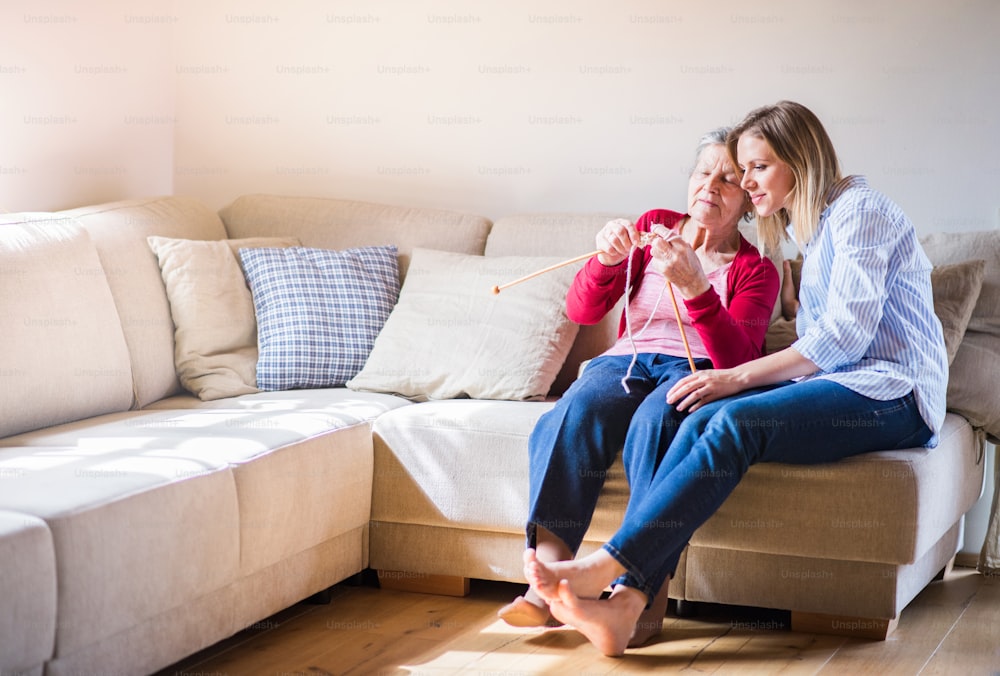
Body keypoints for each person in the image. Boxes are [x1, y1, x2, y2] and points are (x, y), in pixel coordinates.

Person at [521, 100, 949, 656]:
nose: (743, 183)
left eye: (755, 168)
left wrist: (737, 378)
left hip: (894, 392)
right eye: (728, 170)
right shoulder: (814, 231)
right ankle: (624, 606)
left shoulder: (858, 211)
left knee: (731, 419)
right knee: (710, 415)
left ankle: (609, 564)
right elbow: (586, 304)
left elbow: (842, 341)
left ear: (800, 158)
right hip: (848, 384)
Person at [499, 128, 780, 631]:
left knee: (656, 427)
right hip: (626, 362)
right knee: (574, 410)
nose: (710, 186)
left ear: (749, 201)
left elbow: (738, 359)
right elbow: (582, 309)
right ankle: (544, 581)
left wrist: (696, 287)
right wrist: (605, 260)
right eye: (703, 172)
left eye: (729, 179)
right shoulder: (654, 226)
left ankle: (643, 597)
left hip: (693, 370)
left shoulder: (755, 270)